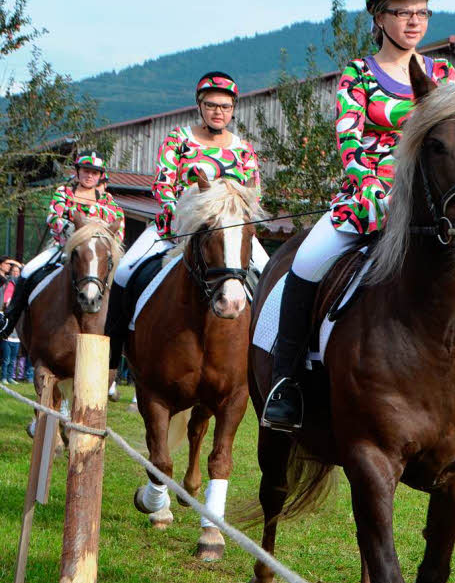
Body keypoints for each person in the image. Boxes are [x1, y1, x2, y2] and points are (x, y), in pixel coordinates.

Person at [261, 0, 455, 431]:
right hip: (368, 201)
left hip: (434, 208)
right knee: (306, 263)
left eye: (422, 11)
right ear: (379, 16)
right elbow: (349, 143)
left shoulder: (446, 80)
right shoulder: (358, 75)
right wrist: (374, 188)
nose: (414, 21)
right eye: (403, 11)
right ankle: (286, 383)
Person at [103, 73, 267, 371]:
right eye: (212, 105)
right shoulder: (179, 139)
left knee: (270, 278)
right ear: (200, 106)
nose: (219, 112)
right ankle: (112, 356)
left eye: (226, 106)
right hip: (175, 229)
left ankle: (268, 360)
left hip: (229, 234)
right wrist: (180, 216)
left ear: (233, 109)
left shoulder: (244, 149)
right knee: (124, 272)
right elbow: (162, 184)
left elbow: (252, 192)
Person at [0, 151, 125, 339]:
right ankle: (9, 321)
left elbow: (120, 226)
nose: (89, 175)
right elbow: (53, 217)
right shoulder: (64, 192)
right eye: (85, 171)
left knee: (122, 279)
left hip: (97, 253)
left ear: (100, 176)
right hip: (63, 247)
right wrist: (71, 230)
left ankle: (123, 331)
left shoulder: (108, 201)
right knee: (27, 272)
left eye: (94, 172)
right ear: (78, 172)